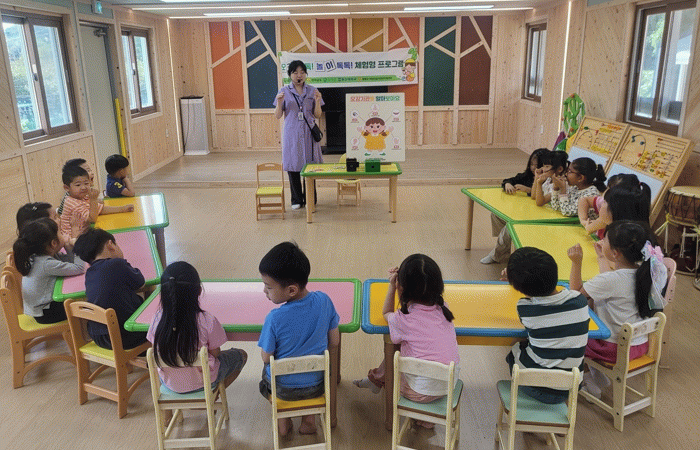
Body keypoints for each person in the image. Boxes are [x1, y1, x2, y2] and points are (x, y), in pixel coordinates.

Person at [353, 254, 460, 429]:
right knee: (409, 346)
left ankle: (377, 380)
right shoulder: (444, 308)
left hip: (417, 393)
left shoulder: (403, 320)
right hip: (448, 386)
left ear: (401, 288)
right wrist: (400, 284)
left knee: (395, 348)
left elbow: (386, 313)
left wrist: (392, 286)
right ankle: (426, 417)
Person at [568, 221, 667, 398]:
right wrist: (601, 257)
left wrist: (576, 262)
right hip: (639, 345)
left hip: (614, 349)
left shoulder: (612, 280)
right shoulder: (646, 273)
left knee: (570, 334)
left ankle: (588, 377)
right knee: (593, 307)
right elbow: (611, 281)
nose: (601, 241)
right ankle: (598, 375)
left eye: (604, 240)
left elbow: (575, 297)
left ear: (615, 253)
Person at [258, 242, 339, 437]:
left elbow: (266, 357)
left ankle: (283, 422)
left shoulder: (274, 318)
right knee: (314, 374)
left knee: (267, 375)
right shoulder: (324, 301)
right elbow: (335, 342)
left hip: (283, 390)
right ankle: (309, 422)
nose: (264, 291)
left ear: (291, 290)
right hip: (316, 385)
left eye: (268, 287)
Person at [505, 247, 590, 403]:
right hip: (571, 387)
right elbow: (572, 294)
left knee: (515, 348)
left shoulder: (524, 308)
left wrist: (515, 280)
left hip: (535, 387)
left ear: (520, 289)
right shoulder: (580, 301)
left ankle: (524, 393)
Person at [147, 261, 248, 393]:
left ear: (163, 294)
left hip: (169, 383)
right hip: (203, 381)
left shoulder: (157, 319)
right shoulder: (207, 320)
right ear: (199, 291)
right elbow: (215, 353)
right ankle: (212, 395)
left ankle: (199, 397)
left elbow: (154, 346)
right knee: (241, 355)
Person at [73, 228, 147, 350]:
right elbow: (141, 283)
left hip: (99, 338)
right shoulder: (117, 264)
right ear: (110, 245)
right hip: (126, 336)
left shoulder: (89, 273)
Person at [481, 148, 549, 264]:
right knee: (496, 216)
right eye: (531, 164)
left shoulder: (547, 181)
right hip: (525, 211)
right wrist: (507, 184)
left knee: (510, 227)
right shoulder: (527, 176)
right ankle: (506, 246)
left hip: (536, 216)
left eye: (537, 165)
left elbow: (541, 196)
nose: (533, 168)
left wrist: (528, 190)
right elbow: (509, 180)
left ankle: (497, 254)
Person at [13, 218, 85, 324]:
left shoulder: (38, 255)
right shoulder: (45, 264)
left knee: (80, 299)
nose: (64, 234)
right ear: (54, 243)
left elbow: (70, 263)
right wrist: (78, 247)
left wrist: (68, 246)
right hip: (46, 313)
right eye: (61, 232)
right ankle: (84, 330)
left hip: (41, 309)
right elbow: (79, 268)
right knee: (84, 303)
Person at [274, 60, 324, 210]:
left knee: (310, 165)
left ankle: (310, 198)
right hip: (292, 134)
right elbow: (278, 115)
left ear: (306, 74)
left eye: (302, 72)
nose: (299, 75)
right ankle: (296, 199)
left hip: (309, 133)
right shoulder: (284, 91)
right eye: (295, 72)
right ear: (290, 75)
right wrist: (279, 102)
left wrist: (317, 101)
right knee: (293, 165)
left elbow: (317, 115)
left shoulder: (312, 90)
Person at [60, 165, 133, 239]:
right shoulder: (71, 203)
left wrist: (122, 209)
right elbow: (92, 219)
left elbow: (100, 209)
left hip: (84, 232)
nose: (83, 187)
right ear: (67, 188)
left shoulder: (82, 196)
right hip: (72, 240)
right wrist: (93, 200)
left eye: (86, 183)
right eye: (78, 185)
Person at [578, 174, 650, 238]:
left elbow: (589, 229)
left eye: (610, 190)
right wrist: (584, 220)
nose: (606, 192)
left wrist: (593, 224)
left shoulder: (623, 229)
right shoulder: (607, 203)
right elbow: (584, 200)